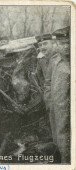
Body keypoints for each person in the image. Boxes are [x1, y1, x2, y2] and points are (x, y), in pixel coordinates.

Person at [39, 26, 70, 163]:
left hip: (67, 106)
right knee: (58, 135)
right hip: (55, 108)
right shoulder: (54, 60)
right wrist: (49, 102)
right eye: (61, 43)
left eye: (66, 42)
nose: (65, 46)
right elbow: (47, 82)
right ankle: (63, 160)